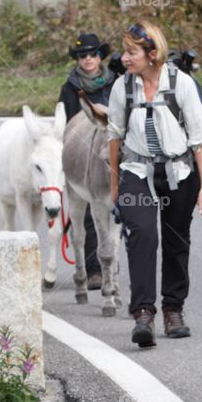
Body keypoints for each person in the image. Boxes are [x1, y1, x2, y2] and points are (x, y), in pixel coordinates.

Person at [107, 20, 202, 347]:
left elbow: (200, 140)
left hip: (179, 172)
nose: (124, 58)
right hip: (137, 171)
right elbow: (114, 137)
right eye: (125, 51)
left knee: (176, 240)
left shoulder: (181, 84)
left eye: (131, 52)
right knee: (142, 234)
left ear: (152, 54)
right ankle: (143, 313)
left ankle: (173, 309)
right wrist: (114, 183)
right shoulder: (122, 88)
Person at [59, 33, 118, 290]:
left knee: (115, 214)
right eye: (82, 56)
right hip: (84, 150)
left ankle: (110, 268)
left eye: (92, 54)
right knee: (88, 217)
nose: (88, 60)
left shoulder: (115, 82)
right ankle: (92, 269)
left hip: (110, 148)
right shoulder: (70, 87)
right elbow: (66, 120)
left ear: (100, 56)